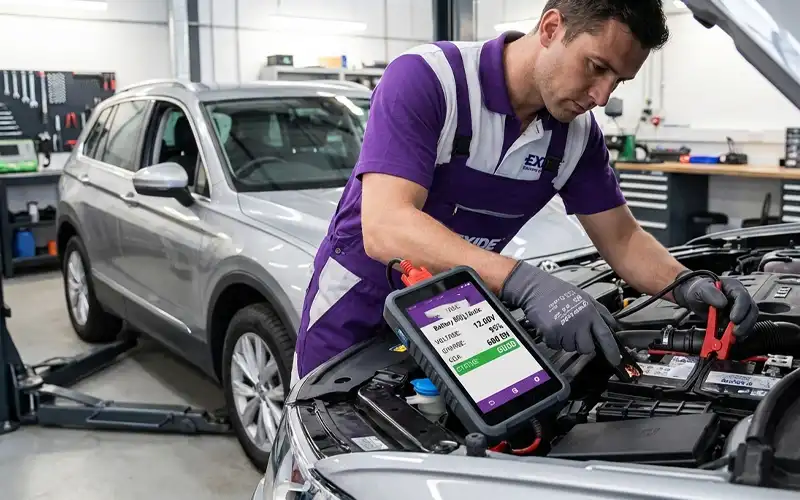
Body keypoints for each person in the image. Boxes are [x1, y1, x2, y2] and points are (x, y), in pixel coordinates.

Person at [291, 0, 759, 382]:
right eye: (596, 67)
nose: (601, 95)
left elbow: (623, 239)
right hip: (358, 301)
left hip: (459, 309)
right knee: (326, 447)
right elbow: (386, 227)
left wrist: (687, 284)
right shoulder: (431, 81)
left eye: (618, 81)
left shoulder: (576, 138)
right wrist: (524, 282)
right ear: (552, 27)